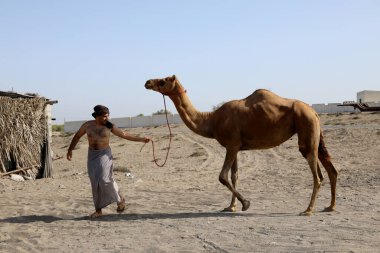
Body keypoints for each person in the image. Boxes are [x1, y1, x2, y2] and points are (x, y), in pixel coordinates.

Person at [66, 105, 150, 219]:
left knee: (105, 179)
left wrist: (141, 139)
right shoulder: (87, 125)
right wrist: (70, 150)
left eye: (107, 116)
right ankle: (98, 210)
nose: (107, 118)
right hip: (92, 155)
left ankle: (120, 199)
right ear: (97, 116)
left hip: (105, 154)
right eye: (104, 116)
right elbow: (77, 136)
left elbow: (124, 135)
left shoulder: (109, 126)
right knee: (94, 181)